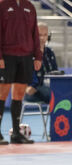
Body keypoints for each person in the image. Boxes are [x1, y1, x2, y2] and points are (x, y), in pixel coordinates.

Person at [0, 0, 42, 144]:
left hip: (25, 56)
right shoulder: (2, 5)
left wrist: (38, 56)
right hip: (7, 55)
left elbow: (35, 33)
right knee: (2, 93)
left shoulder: (29, 6)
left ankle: (16, 134)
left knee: (18, 94)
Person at [25, 22, 58, 104]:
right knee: (57, 95)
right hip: (33, 90)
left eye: (45, 35)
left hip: (48, 87)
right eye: (39, 35)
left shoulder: (50, 52)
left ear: (48, 36)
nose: (42, 38)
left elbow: (56, 72)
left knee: (66, 92)